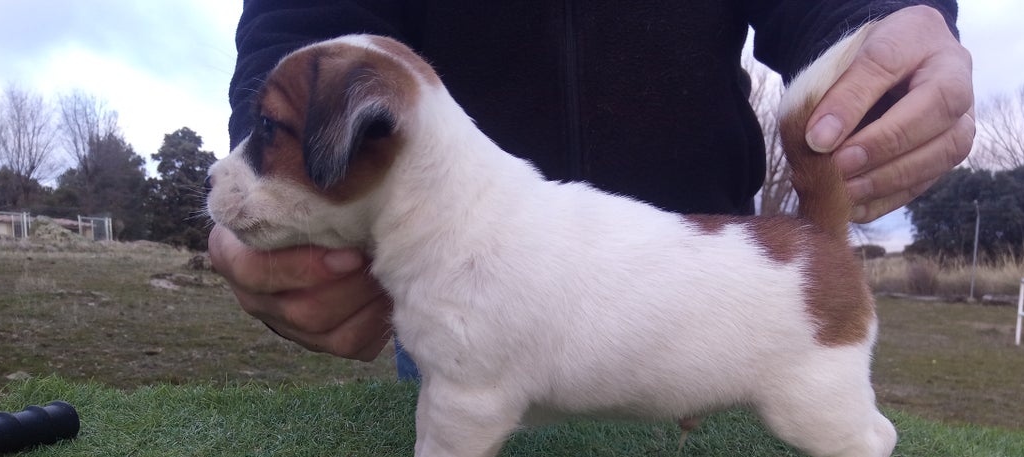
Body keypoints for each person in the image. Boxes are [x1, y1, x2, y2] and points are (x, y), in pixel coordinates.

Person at [208, 1, 974, 372]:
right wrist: (273, 158)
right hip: (453, 290)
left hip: (715, 298)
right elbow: (303, 27)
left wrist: (886, 20)